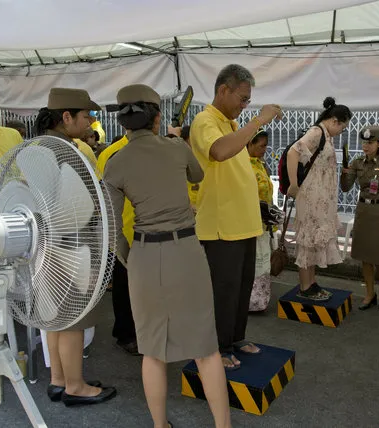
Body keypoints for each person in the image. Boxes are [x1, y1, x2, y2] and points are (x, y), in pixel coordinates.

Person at [104, 84, 231, 428]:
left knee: (152, 350)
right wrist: (177, 139)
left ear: (123, 123)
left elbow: (113, 229)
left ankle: (160, 426)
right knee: (205, 347)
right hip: (185, 251)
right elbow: (198, 175)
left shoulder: (115, 164)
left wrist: (133, 260)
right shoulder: (176, 149)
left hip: (145, 254)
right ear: (157, 117)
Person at [190, 64, 282, 370]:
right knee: (224, 290)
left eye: (248, 102)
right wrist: (259, 120)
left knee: (242, 287)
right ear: (222, 90)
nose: (244, 106)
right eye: (242, 99)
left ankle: (235, 337)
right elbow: (219, 152)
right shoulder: (206, 121)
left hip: (243, 224)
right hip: (221, 226)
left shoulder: (229, 124)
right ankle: (218, 346)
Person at [34, 87, 116, 406]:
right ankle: (75, 386)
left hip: (47, 243)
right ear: (65, 117)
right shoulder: (68, 151)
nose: (91, 122)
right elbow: (80, 205)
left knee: (55, 316)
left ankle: (59, 380)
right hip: (73, 243)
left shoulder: (40, 145)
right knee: (72, 319)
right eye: (86, 116)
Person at [286, 97, 351, 301]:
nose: (342, 130)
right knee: (308, 240)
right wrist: (293, 184)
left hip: (321, 198)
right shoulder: (316, 132)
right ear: (334, 120)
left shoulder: (326, 135)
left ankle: (311, 283)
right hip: (311, 197)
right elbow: (292, 152)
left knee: (315, 241)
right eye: (343, 126)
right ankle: (305, 287)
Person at [340, 125, 379, 310]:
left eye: (370, 142)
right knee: (365, 257)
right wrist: (344, 171)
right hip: (363, 211)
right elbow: (346, 188)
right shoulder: (357, 163)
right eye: (364, 142)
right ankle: (370, 293)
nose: (366, 146)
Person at [96, 131, 139, 356]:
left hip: (148, 230)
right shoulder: (112, 153)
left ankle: (144, 332)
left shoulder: (154, 149)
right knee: (124, 286)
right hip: (124, 229)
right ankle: (125, 334)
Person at [247, 128, 275, 312]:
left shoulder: (260, 164)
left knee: (263, 261)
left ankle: (259, 301)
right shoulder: (242, 165)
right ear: (249, 144)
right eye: (262, 145)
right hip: (249, 222)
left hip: (264, 221)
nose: (265, 149)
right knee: (253, 262)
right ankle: (250, 302)